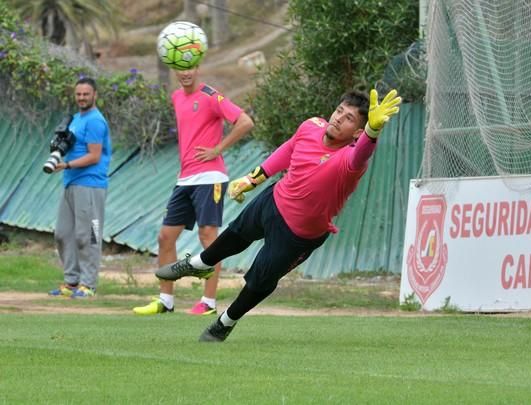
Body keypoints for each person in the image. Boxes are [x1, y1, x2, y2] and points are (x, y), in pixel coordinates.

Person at [154, 88, 401, 341]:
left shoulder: (349, 160)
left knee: (258, 282)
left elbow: (363, 153)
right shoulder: (311, 125)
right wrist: (252, 179)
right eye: (339, 111)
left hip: (299, 235)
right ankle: (198, 264)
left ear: (357, 132)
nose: (338, 118)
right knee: (235, 235)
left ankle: (224, 323)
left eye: (349, 118)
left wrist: (373, 131)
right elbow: (289, 148)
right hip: (273, 201)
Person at [133, 65, 254, 315]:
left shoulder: (211, 95)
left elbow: (245, 122)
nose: (185, 72)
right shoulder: (176, 97)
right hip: (184, 179)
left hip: (210, 178)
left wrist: (218, 149)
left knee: (208, 237)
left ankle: (208, 303)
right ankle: (165, 301)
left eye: (190, 67)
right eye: (180, 67)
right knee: (165, 237)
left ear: (198, 66)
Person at [48, 77, 112, 298]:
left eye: (86, 94)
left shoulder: (95, 121)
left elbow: (94, 156)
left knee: (90, 235)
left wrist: (65, 164)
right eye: (79, 94)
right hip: (71, 183)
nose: (82, 98)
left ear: (95, 95)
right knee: (63, 234)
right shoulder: (76, 119)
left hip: (91, 185)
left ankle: (89, 284)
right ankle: (72, 282)